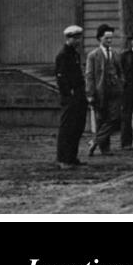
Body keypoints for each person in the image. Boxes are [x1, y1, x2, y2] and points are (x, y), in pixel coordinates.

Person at [85, 23, 124, 156]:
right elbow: (89, 76)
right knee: (101, 120)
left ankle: (94, 142)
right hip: (100, 92)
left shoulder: (115, 53)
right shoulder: (93, 55)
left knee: (114, 118)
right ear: (99, 38)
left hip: (114, 91)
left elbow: (120, 72)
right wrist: (90, 94)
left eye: (111, 38)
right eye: (107, 38)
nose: (109, 41)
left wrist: (120, 84)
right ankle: (104, 148)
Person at [54, 25, 88, 169]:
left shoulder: (74, 54)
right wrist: (69, 94)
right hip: (70, 97)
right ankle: (63, 159)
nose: (78, 41)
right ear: (69, 38)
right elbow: (61, 78)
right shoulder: (63, 55)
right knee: (67, 128)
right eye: (76, 38)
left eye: (79, 38)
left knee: (77, 127)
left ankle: (72, 157)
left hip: (79, 95)